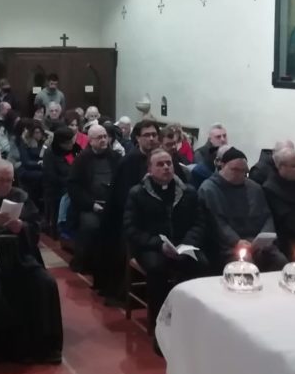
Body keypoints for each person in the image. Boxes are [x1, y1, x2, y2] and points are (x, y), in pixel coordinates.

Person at [0, 160, 63, 364]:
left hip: (19, 256)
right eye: (0, 180)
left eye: (9, 180)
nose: (5, 185)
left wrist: (22, 227)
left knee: (46, 283)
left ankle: (47, 344)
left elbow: (35, 227)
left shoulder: (20, 196)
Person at [124, 149, 208, 350]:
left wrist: (187, 242)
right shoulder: (137, 193)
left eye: (169, 163)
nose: (166, 168)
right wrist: (158, 244)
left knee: (202, 264)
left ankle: (191, 318)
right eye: (160, 164)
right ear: (150, 169)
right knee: (157, 269)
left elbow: (199, 223)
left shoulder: (188, 192)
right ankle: (159, 324)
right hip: (151, 247)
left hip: (182, 245)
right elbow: (131, 229)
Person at [101, 119, 163, 301]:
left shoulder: (163, 159)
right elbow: (123, 198)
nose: (151, 139)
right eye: (147, 135)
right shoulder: (129, 162)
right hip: (130, 220)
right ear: (137, 138)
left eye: (154, 135)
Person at [198, 147, 287, 272]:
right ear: (222, 166)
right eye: (235, 170)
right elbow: (217, 222)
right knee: (245, 266)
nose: (239, 174)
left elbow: (267, 216)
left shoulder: (254, 188)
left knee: (280, 261)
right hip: (227, 245)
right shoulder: (209, 189)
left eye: (243, 171)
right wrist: (237, 241)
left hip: (256, 242)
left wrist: (265, 238)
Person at [67, 124, 120, 277]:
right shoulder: (81, 159)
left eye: (105, 136)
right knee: (91, 226)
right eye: (99, 138)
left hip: (112, 204)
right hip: (89, 206)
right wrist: (91, 204)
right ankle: (87, 263)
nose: (103, 140)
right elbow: (74, 187)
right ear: (90, 141)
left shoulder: (115, 157)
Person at [43, 126, 76, 236]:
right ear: (60, 143)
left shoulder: (73, 150)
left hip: (71, 183)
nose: (71, 144)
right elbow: (51, 176)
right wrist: (70, 182)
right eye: (68, 143)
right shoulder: (50, 153)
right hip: (56, 188)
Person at [190, 123, 229, 190]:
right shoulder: (200, 153)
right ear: (210, 139)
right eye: (218, 137)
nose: (223, 139)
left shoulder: (229, 153)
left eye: (224, 136)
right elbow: (203, 174)